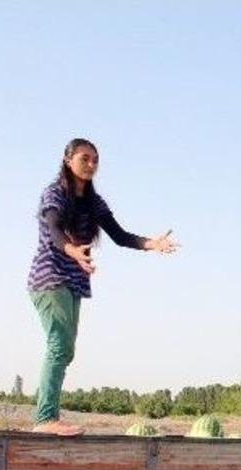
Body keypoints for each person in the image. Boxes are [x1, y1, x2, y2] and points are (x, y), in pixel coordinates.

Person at [26, 138, 178, 436]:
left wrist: (152, 244)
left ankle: (47, 415)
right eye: (85, 158)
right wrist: (72, 250)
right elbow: (54, 229)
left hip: (74, 280)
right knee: (59, 346)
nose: (92, 164)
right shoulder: (54, 193)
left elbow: (120, 236)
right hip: (50, 277)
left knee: (65, 350)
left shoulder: (94, 203)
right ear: (68, 159)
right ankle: (45, 418)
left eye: (96, 160)